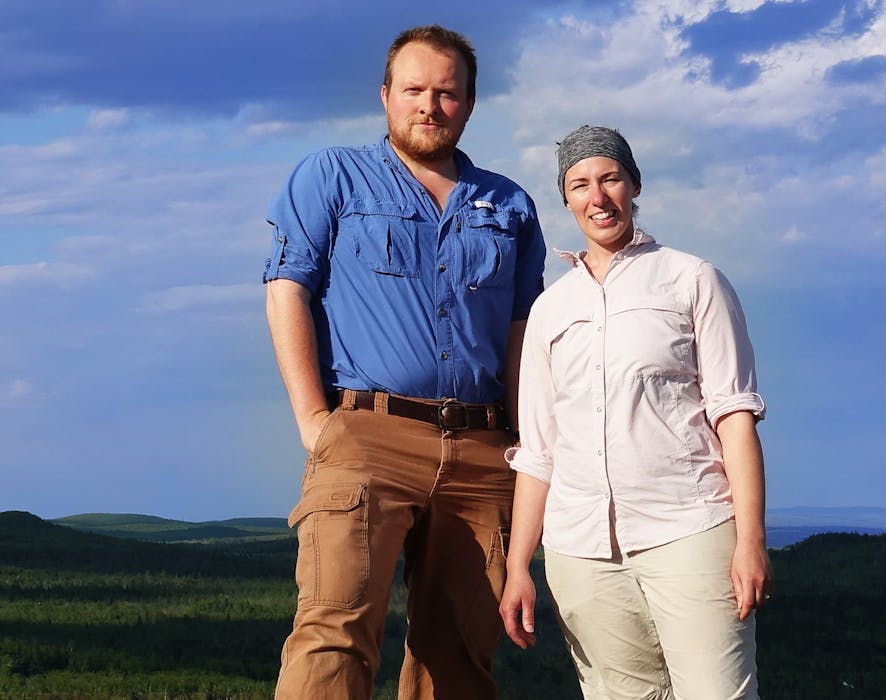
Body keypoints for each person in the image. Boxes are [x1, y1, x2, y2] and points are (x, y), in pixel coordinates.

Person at [263, 25, 546, 700]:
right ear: (386, 96)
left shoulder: (509, 205)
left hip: (484, 445)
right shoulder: (331, 176)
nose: (430, 105)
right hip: (367, 435)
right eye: (414, 90)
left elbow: (523, 329)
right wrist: (313, 420)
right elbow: (287, 290)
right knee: (332, 638)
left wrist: (525, 437)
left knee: (459, 656)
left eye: (447, 93)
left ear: (470, 104)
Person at [498, 125, 772, 700]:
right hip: (580, 553)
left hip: (689, 532)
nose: (597, 197)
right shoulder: (551, 309)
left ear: (635, 185)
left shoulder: (692, 279)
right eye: (580, 185)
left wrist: (750, 541)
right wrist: (518, 566)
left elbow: (735, 416)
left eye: (610, 179)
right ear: (567, 199)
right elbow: (539, 451)